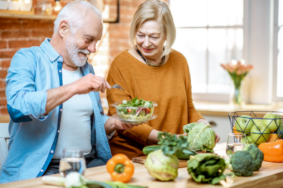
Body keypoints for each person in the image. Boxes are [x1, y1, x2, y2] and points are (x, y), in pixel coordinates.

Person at [0, 1, 133, 183]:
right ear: (63, 28)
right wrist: (74, 88)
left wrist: (114, 123)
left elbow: (86, 124)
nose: (93, 49)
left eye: (96, 42)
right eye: (88, 39)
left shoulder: (87, 70)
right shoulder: (28, 58)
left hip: (90, 165)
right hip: (43, 170)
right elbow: (17, 107)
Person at [106, 0, 220, 159]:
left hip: (173, 153)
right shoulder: (121, 64)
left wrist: (203, 125)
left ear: (167, 34)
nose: (145, 43)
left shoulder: (179, 61)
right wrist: (169, 139)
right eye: (140, 35)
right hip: (133, 157)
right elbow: (123, 120)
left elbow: (188, 107)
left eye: (154, 36)